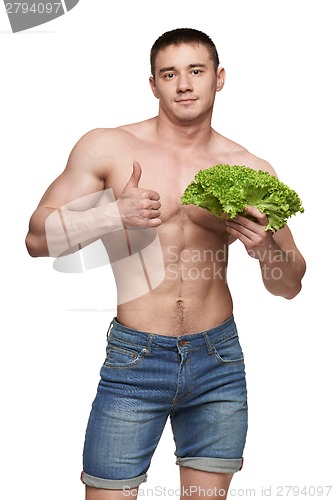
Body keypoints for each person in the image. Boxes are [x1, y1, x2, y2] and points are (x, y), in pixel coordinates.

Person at [25, 28, 306, 500]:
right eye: (169, 73)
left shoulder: (250, 168)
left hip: (218, 362)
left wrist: (267, 252)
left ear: (219, 79)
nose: (183, 85)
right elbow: (36, 239)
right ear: (153, 85)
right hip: (135, 360)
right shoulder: (108, 147)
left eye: (196, 71)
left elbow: (291, 284)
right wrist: (111, 213)